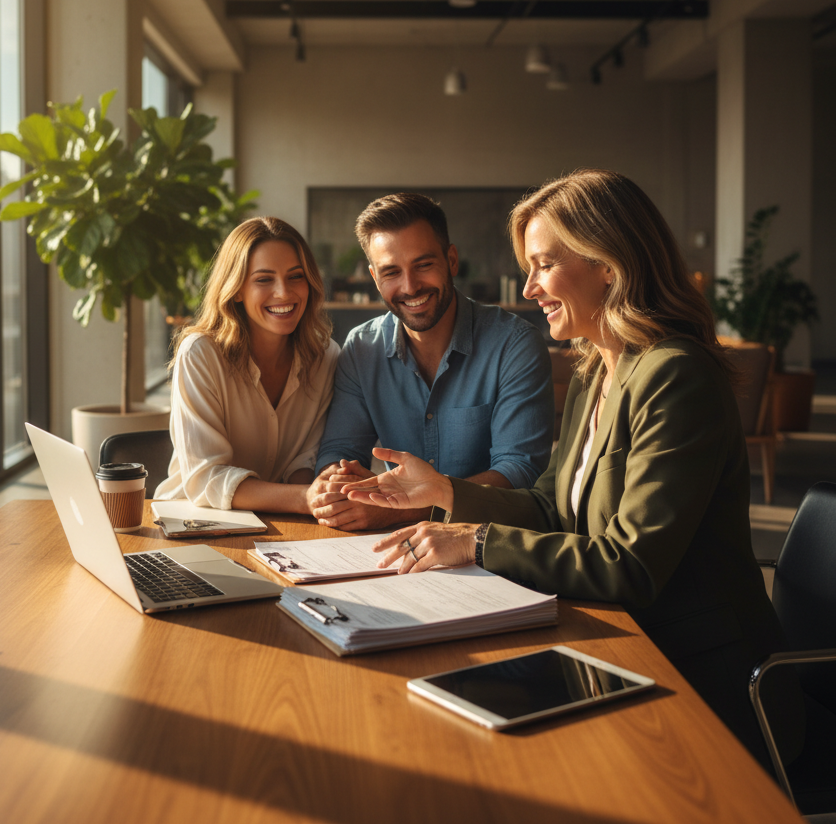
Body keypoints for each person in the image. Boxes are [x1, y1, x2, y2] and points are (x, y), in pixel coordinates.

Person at [340, 169, 802, 769]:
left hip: (703, 682)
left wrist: (476, 542)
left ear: (608, 263)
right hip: (617, 648)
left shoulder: (674, 375)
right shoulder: (597, 369)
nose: (529, 288)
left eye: (543, 265)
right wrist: (446, 492)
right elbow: (555, 507)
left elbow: (629, 567)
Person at [310, 192, 553, 532]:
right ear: (374, 277)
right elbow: (339, 450)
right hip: (388, 551)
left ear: (451, 260)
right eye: (391, 272)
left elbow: (519, 472)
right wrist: (339, 483)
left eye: (423, 265)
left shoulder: (514, 345)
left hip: (492, 546)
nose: (410, 287)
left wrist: (401, 510)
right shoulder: (362, 348)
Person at [154, 217, 340, 512]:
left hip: (282, 525)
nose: (284, 292)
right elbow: (206, 479)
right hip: (194, 521)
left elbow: (305, 460)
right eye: (264, 279)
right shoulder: (201, 354)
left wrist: (320, 491)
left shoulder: (325, 357)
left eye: (296, 276)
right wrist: (306, 498)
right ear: (237, 288)